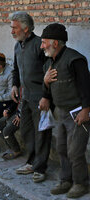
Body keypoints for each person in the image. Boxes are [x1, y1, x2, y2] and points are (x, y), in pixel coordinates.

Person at [39, 23, 90, 198]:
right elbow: (48, 88)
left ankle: (81, 184)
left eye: (44, 42)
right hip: (60, 113)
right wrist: (45, 89)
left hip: (77, 113)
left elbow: (86, 87)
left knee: (75, 151)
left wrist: (86, 110)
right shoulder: (49, 62)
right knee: (61, 148)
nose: (42, 46)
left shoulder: (75, 60)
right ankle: (66, 180)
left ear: (55, 43)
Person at [10, 11, 51, 183]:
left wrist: (46, 96)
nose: (12, 31)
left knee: (42, 132)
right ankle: (32, 162)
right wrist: (14, 84)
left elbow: (50, 72)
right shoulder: (18, 46)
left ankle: (40, 168)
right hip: (25, 97)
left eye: (15, 28)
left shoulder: (39, 45)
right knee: (27, 130)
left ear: (26, 29)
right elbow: (16, 69)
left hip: (40, 97)